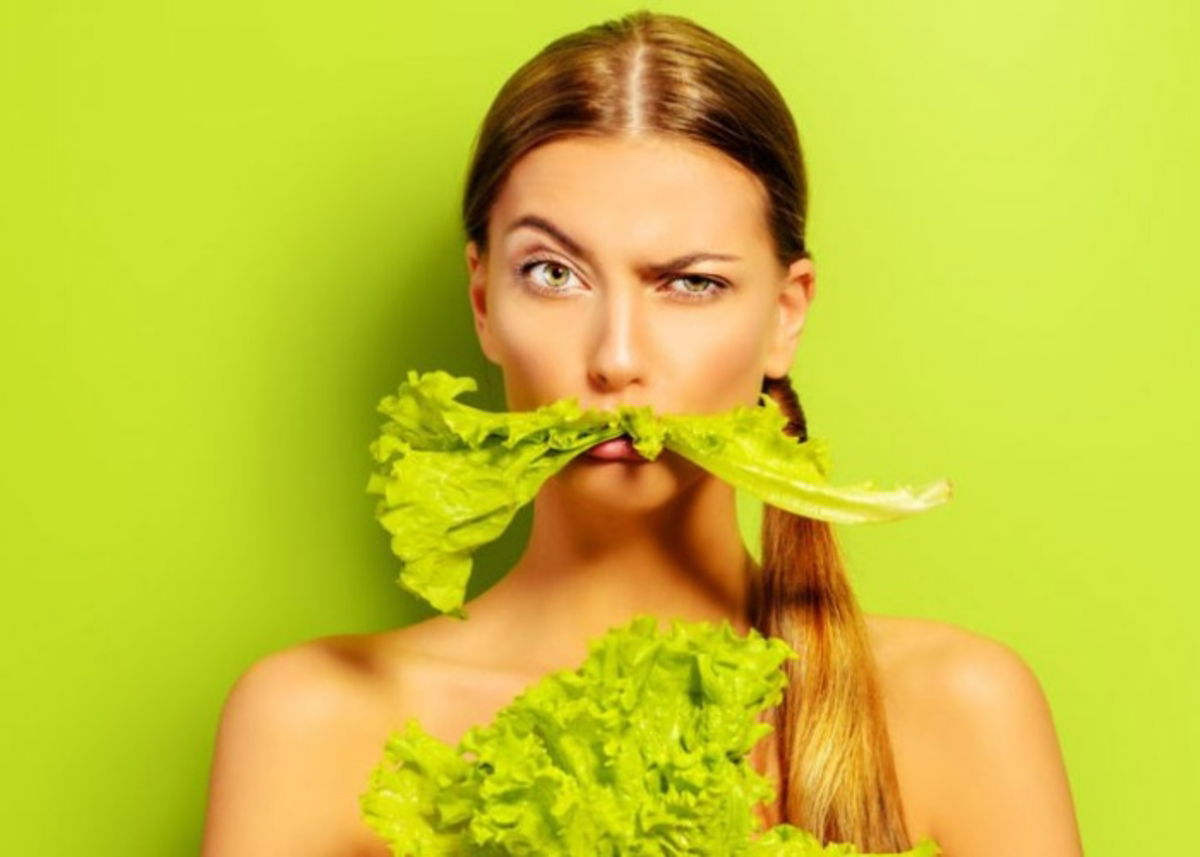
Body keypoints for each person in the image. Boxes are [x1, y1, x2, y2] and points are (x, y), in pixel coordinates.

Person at [200, 10, 1084, 856]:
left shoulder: (957, 710)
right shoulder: (316, 726)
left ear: (785, 316)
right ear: (483, 303)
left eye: (689, 283)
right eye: (553, 273)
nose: (616, 358)